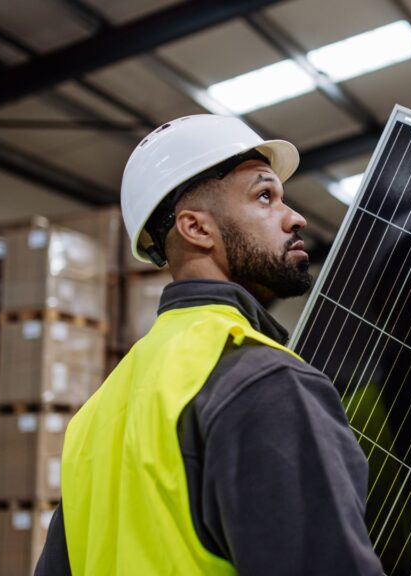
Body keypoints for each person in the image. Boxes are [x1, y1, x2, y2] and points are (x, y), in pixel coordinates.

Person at [35, 115, 384, 575]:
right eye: (265, 196)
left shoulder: (95, 417)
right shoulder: (265, 382)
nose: (295, 216)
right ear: (196, 229)